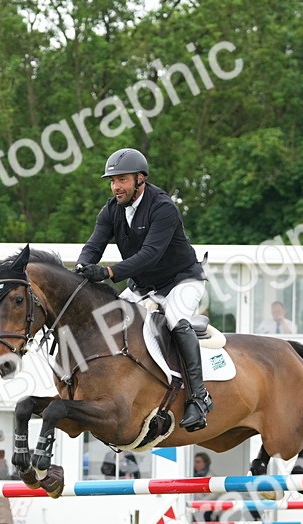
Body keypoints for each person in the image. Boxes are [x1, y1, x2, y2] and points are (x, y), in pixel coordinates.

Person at [73, 147, 212, 432]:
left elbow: (150, 254)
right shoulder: (111, 209)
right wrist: (82, 266)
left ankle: (199, 397)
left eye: (121, 180)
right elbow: (94, 244)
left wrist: (109, 272)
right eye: (112, 181)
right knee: (109, 319)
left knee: (174, 319)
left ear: (140, 179)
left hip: (181, 280)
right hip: (143, 286)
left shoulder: (163, 208)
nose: (115, 187)